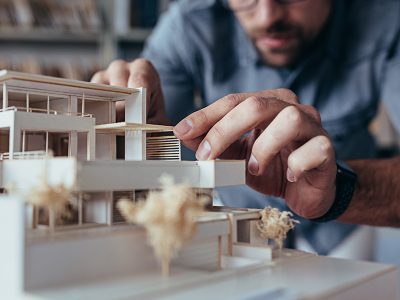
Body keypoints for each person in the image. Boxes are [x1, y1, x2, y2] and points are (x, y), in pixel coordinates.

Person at [92, 0, 400, 255]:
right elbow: (159, 142)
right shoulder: (186, 25)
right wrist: (140, 135)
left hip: (347, 220)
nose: (268, 17)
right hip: (237, 218)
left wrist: (338, 192)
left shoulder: (387, 19)